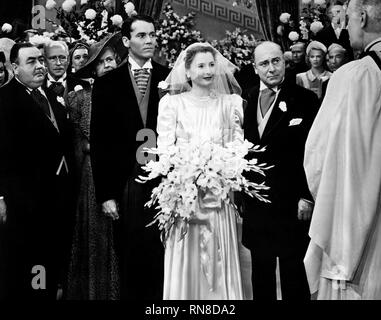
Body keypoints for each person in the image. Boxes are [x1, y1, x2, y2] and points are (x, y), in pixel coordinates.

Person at [157, 42, 250, 300]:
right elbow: (165, 150)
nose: (208, 71)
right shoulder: (171, 104)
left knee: (218, 258)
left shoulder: (230, 103)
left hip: (218, 197)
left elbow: (236, 147)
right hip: (184, 197)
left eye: (211, 65)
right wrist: (184, 178)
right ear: (187, 71)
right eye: (201, 66)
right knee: (188, 256)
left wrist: (222, 172)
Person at [303, 0, 381, 300]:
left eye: (348, 18)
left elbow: (318, 154)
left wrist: (328, 201)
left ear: (361, 17)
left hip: (357, 224)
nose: (346, 27)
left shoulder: (352, 75)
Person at [90, 15, 170, 300]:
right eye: (142, 36)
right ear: (127, 41)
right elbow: (99, 142)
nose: (149, 40)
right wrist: (106, 194)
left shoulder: (169, 78)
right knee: (129, 253)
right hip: (125, 182)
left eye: (152, 35)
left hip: (165, 182)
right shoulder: (106, 84)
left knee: (162, 254)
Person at [242, 41, 319, 300]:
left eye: (276, 61)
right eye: (264, 63)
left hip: (292, 204)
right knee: (260, 275)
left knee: (294, 276)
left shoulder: (305, 100)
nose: (271, 68)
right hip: (257, 203)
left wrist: (307, 196)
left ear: (284, 62)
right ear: (255, 68)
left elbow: (314, 152)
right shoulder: (248, 99)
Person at [0, 43, 75, 300]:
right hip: (23, 201)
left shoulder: (50, 95)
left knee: (48, 259)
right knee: (24, 264)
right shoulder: (4, 99)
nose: (40, 66)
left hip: (54, 199)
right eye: (31, 61)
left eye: (40, 60)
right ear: (14, 67)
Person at [65, 34, 121, 300]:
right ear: (94, 68)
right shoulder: (81, 99)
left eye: (113, 60)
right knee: (97, 235)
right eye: (104, 61)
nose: (110, 65)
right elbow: (79, 144)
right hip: (92, 176)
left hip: (123, 175)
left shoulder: (128, 94)